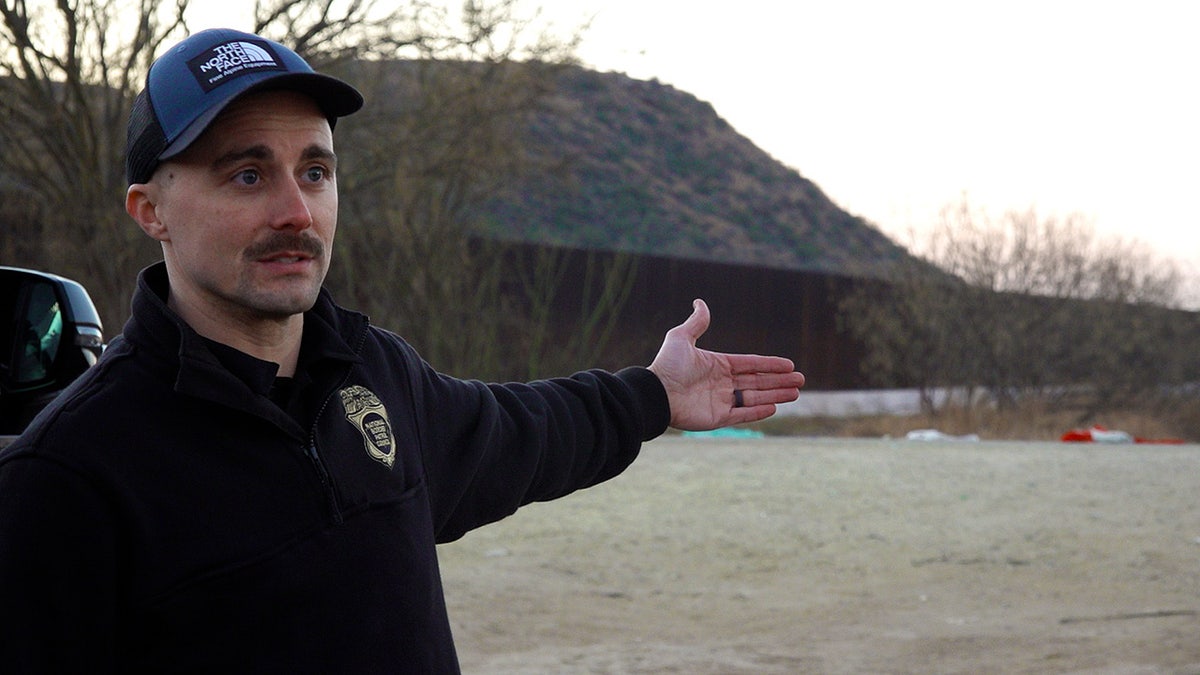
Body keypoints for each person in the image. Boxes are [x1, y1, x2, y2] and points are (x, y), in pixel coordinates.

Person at [0, 28, 805, 673]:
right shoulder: (67, 477)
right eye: (247, 175)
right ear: (151, 210)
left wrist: (653, 394)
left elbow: (522, 431)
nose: (296, 210)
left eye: (315, 171)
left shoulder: (375, 374)